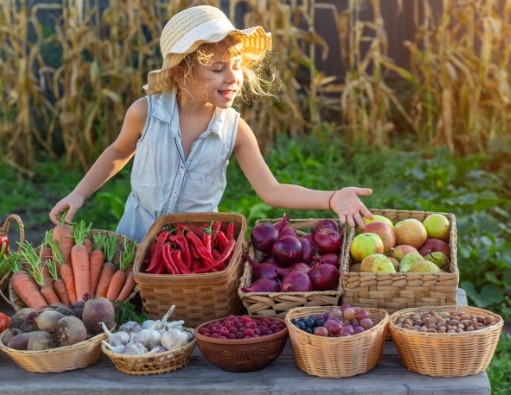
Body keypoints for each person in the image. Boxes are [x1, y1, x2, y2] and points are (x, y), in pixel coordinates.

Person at [49, 5, 373, 242]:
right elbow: (118, 151)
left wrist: (331, 198)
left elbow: (271, 190)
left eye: (236, 66)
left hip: (195, 247)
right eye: (217, 68)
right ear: (180, 73)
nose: (233, 77)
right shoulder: (146, 112)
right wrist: (79, 194)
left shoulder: (235, 129)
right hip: (136, 235)